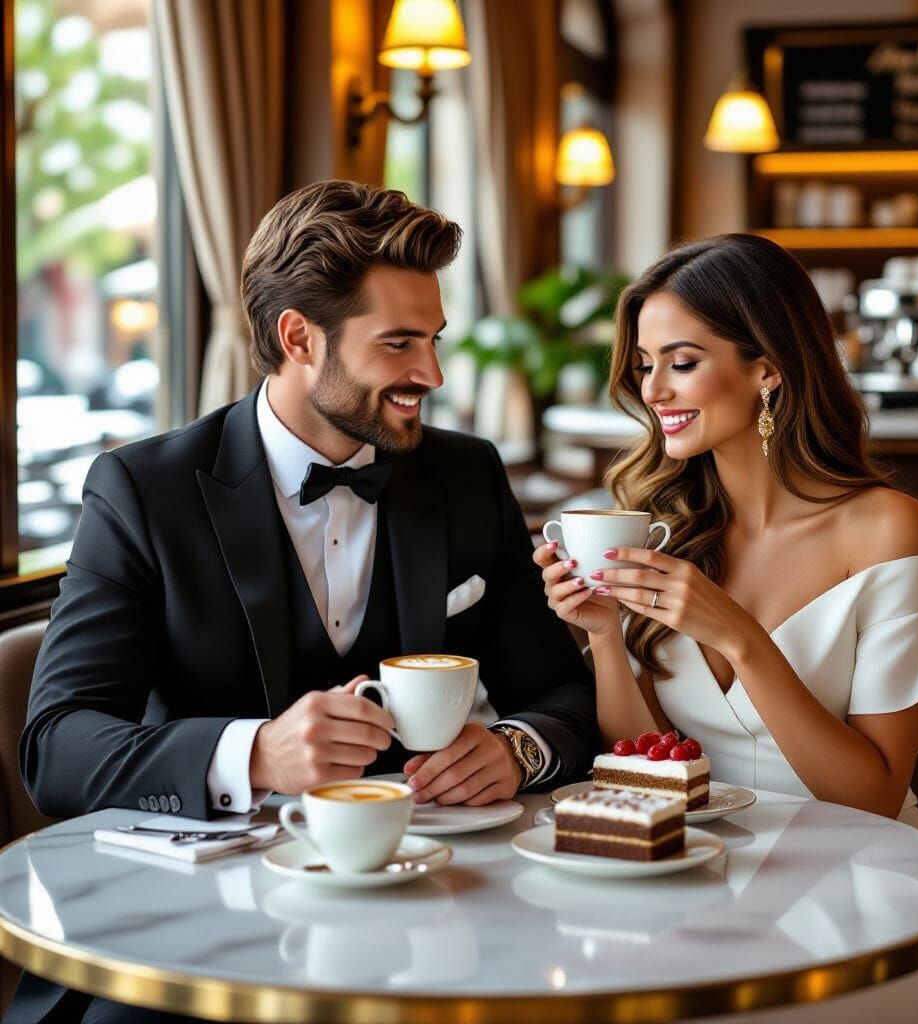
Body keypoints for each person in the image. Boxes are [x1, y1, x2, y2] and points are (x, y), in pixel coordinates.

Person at [10, 180, 596, 1024]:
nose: (430, 373)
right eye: (399, 344)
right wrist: (255, 755)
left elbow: (564, 697)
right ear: (299, 338)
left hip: (432, 919)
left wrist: (518, 750)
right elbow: (58, 746)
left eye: (433, 340)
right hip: (189, 935)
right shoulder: (146, 491)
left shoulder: (466, 477)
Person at [536, 234, 918, 1024]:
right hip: (689, 875)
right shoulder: (664, 529)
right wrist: (605, 636)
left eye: (681, 361)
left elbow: (871, 796)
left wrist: (742, 638)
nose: (654, 389)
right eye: (645, 364)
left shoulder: (885, 527)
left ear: (768, 367)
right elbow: (639, 757)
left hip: (861, 883)